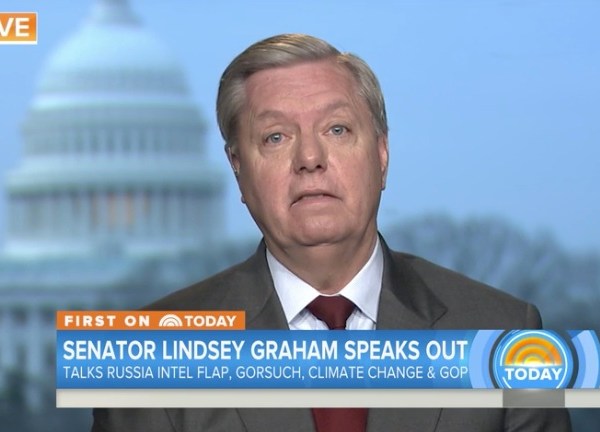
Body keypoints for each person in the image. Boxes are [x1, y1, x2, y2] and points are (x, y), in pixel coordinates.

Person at [92, 33, 571, 431]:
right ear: (238, 169)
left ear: (381, 154)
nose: (309, 158)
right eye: (275, 137)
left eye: (337, 130)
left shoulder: (508, 334)